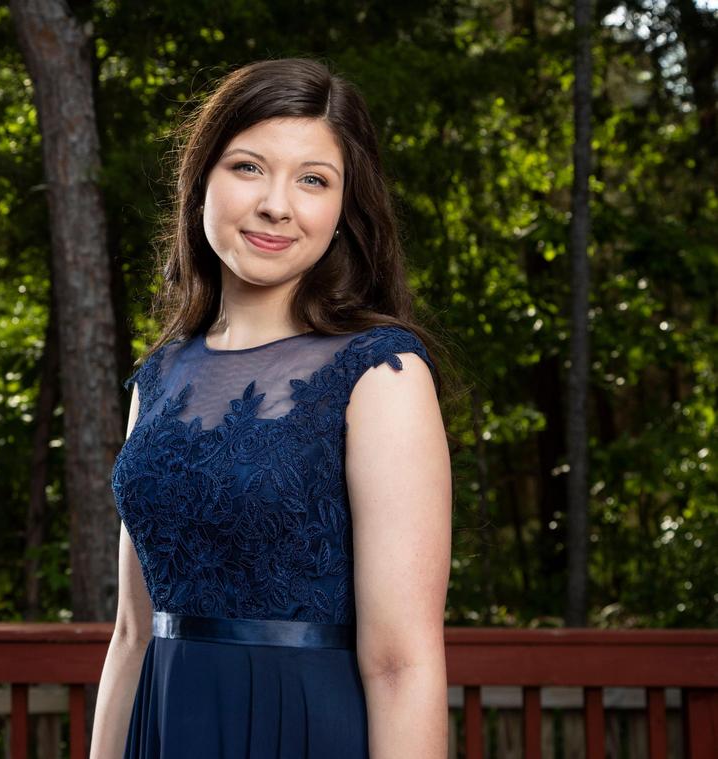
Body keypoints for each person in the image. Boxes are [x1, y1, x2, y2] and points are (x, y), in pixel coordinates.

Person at [92, 58, 452, 758]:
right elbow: (132, 633)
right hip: (162, 730)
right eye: (248, 167)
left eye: (313, 180)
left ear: (344, 209)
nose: (276, 205)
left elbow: (401, 663)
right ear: (201, 180)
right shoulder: (158, 378)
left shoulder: (381, 372)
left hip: (307, 732)